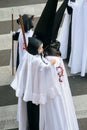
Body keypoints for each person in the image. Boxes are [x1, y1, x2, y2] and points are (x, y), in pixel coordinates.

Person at [11, 37, 79, 130]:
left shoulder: (33, 58)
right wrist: (51, 63)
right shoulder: (35, 60)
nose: (42, 50)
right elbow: (44, 66)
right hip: (38, 89)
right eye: (40, 48)